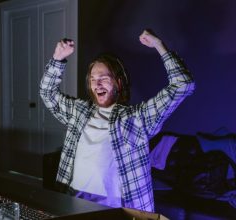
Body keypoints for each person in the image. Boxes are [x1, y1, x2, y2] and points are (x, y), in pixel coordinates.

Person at [39, 29, 195, 212]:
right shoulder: (78, 111)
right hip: (73, 199)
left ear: (119, 83)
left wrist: (159, 46)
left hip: (116, 208)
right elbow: (47, 93)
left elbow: (182, 85)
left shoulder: (136, 119)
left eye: (103, 79)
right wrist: (58, 59)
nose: (97, 84)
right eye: (92, 79)